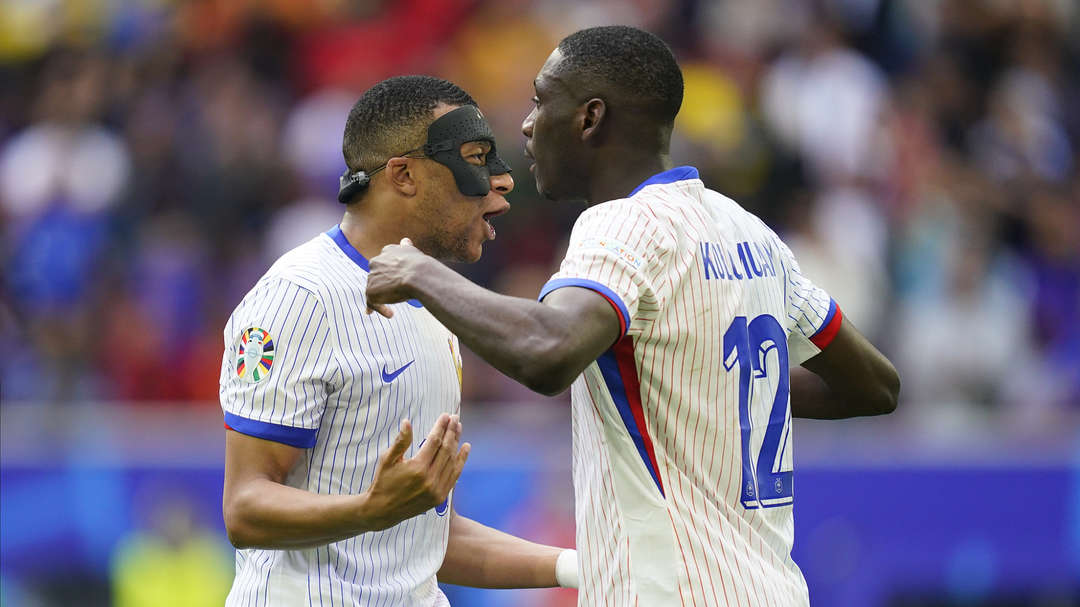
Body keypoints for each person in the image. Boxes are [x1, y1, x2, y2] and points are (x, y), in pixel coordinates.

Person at [365, 27, 901, 606]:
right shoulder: (749, 232)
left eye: (542, 101)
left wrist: (422, 272)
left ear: (590, 118)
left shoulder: (622, 223)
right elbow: (874, 385)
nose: (527, 123)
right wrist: (720, 390)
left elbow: (548, 353)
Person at [219, 75, 578, 606]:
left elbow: (425, 535)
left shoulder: (435, 303)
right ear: (404, 175)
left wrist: (579, 567)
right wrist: (370, 509)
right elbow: (245, 508)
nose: (501, 182)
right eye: (475, 158)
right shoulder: (301, 296)